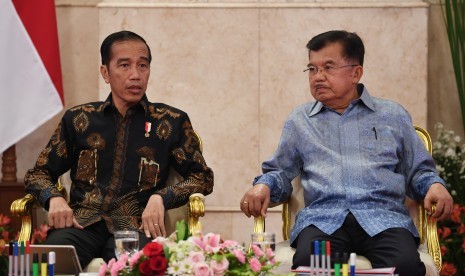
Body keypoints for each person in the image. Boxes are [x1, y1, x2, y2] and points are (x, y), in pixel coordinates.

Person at [240, 30, 453, 275]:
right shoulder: (300, 120)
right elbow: (280, 171)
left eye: (328, 68)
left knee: (405, 266)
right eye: (312, 69)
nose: (317, 77)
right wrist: (264, 186)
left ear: (356, 73)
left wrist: (434, 185)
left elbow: (418, 171)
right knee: (313, 265)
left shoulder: (392, 116)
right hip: (323, 220)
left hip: (383, 219)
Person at [24, 30, 214, 268]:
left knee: (144, 265)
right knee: (44, 264)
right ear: (105, 72)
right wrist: (53, 198)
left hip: (134, 227)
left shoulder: (170, 121)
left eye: (142, 65)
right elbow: (37, 174)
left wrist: (161, 197)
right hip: (81, 223)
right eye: (124, 65)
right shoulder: (79, 119)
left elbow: (203, 177)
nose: (135, 75)